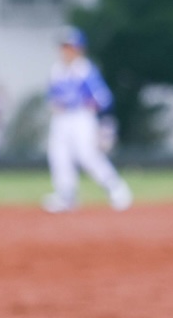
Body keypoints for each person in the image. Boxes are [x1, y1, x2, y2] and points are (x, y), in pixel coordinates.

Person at [43, 28, 132, 213]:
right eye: (63, 46)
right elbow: (51, 97)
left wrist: (105, 124)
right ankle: (66, 195)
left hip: (81, 118)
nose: (65, 51)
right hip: (61, 119)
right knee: (58, 155)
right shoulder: (56, 70)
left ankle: (115, 188)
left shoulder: (85, 70)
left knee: (87, 155)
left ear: (79, 48)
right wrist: (55, 104)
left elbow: (104, 98)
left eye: (69, 46)